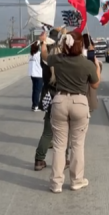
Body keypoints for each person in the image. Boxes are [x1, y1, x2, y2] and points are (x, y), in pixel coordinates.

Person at [39, 30, 101, 193]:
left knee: (59, 146)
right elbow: (95, 85)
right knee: (77, 145)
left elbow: (45, 56)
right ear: (80, 46)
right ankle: (76, 180)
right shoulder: (86, 64)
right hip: (79, 103)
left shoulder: (58, 59)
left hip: (60, 101)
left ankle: (56, 184)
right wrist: (97, 68)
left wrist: (43, 41)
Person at [34, 33, 70, 171]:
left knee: (47, 133)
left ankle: (39, 160)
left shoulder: (46, 62)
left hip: (50, 98)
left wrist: (42, 42)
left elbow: (43, 53)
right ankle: (64, 160)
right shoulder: (66, 61)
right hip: (63, 99)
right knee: (64, 133)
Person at [28, 42, 43, 111]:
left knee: (34, 90)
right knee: (37, 91)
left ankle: (34, 105)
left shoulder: (30, 55)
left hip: (32, 74)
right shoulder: (39, 54)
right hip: (38, 75)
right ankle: (36, 105)